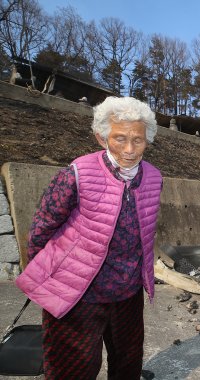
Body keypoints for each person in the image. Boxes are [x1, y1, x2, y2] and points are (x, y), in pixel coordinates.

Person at [15, 96, 163, 379]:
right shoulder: (76, 173)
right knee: (73, 369)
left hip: (127, 292)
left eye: (138, 140)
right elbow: (41, 228)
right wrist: (49, 281)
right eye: (120, 139)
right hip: (78, 294)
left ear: (149, 139)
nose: (130, 149)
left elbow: (145, 230)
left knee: (127, 365)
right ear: (102, 137)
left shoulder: (154, 178)